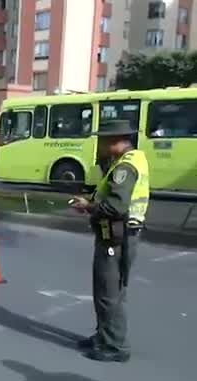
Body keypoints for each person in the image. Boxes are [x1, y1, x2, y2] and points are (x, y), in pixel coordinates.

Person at [70, 120, 149, 363]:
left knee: (109, 292)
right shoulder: (130, 160)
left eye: (104, 140)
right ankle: (104, 335)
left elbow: (116, 206)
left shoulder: (126, 167)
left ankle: (115, 345)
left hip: (117, 236)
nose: (101, 144)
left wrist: (88, 206)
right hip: (117, 234)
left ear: (116, 141)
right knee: (107, 289)